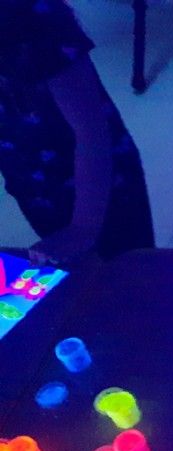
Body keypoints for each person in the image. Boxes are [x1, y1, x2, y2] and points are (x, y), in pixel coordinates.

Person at [0, 0, 155, 265]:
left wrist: (83, 228)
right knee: (73, 265)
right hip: (30, 181)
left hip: (103, 182)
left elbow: (91, 133)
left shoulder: (37, 20)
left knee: (130, 267)